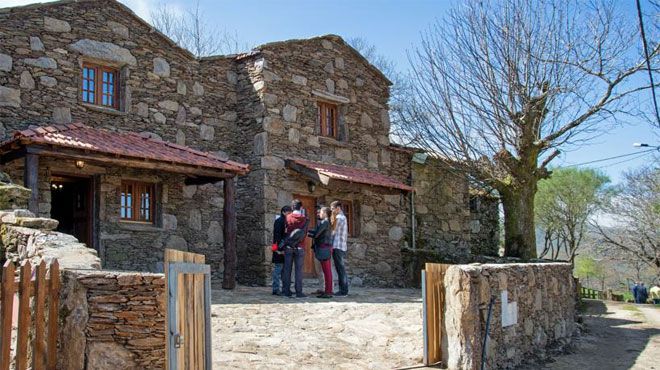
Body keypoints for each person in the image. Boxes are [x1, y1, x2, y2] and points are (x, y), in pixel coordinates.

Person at [282, 199, 308, 298]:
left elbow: (285, 230)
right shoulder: (304, 219)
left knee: (287, 269)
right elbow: (304, 233)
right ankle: (299, 292)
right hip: (300, 246)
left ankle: (286, 291)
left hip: (288, 246)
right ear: (301, 208)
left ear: (292, 207)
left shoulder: (288, 217)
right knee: (299, 270)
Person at [309, 206, 334, 298]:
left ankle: (328, 292)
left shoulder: (325, 222)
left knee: (327, 271)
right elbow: (317, 233)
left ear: (325, 213)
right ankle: (327, 291)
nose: (319, 214)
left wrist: (306, 233)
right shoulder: (326, 222)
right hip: (325, 248)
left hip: (324, 249)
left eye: (321, 212)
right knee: (326, 271)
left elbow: (316, 234)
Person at [271, 205, 292, 295]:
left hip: (284, 247)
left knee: (284, 270)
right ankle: (275, 289)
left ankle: (284, 288)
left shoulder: (285, 221)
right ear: (284, 212)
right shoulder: (279, 221)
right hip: (279, 248)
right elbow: (277, 236)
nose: (290, 214)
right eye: (288, 212)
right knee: (278, 269)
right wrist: (279, 249)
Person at [331, 200, 349, 296]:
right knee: (340, 269)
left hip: (338, 246)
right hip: (341, 246)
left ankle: (343, 291)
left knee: (340, 269)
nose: (332, 211)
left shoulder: (339, 217)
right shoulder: (343, 217)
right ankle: (343, 290)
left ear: (338, 208)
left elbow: (332, 231)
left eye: (333, 209)